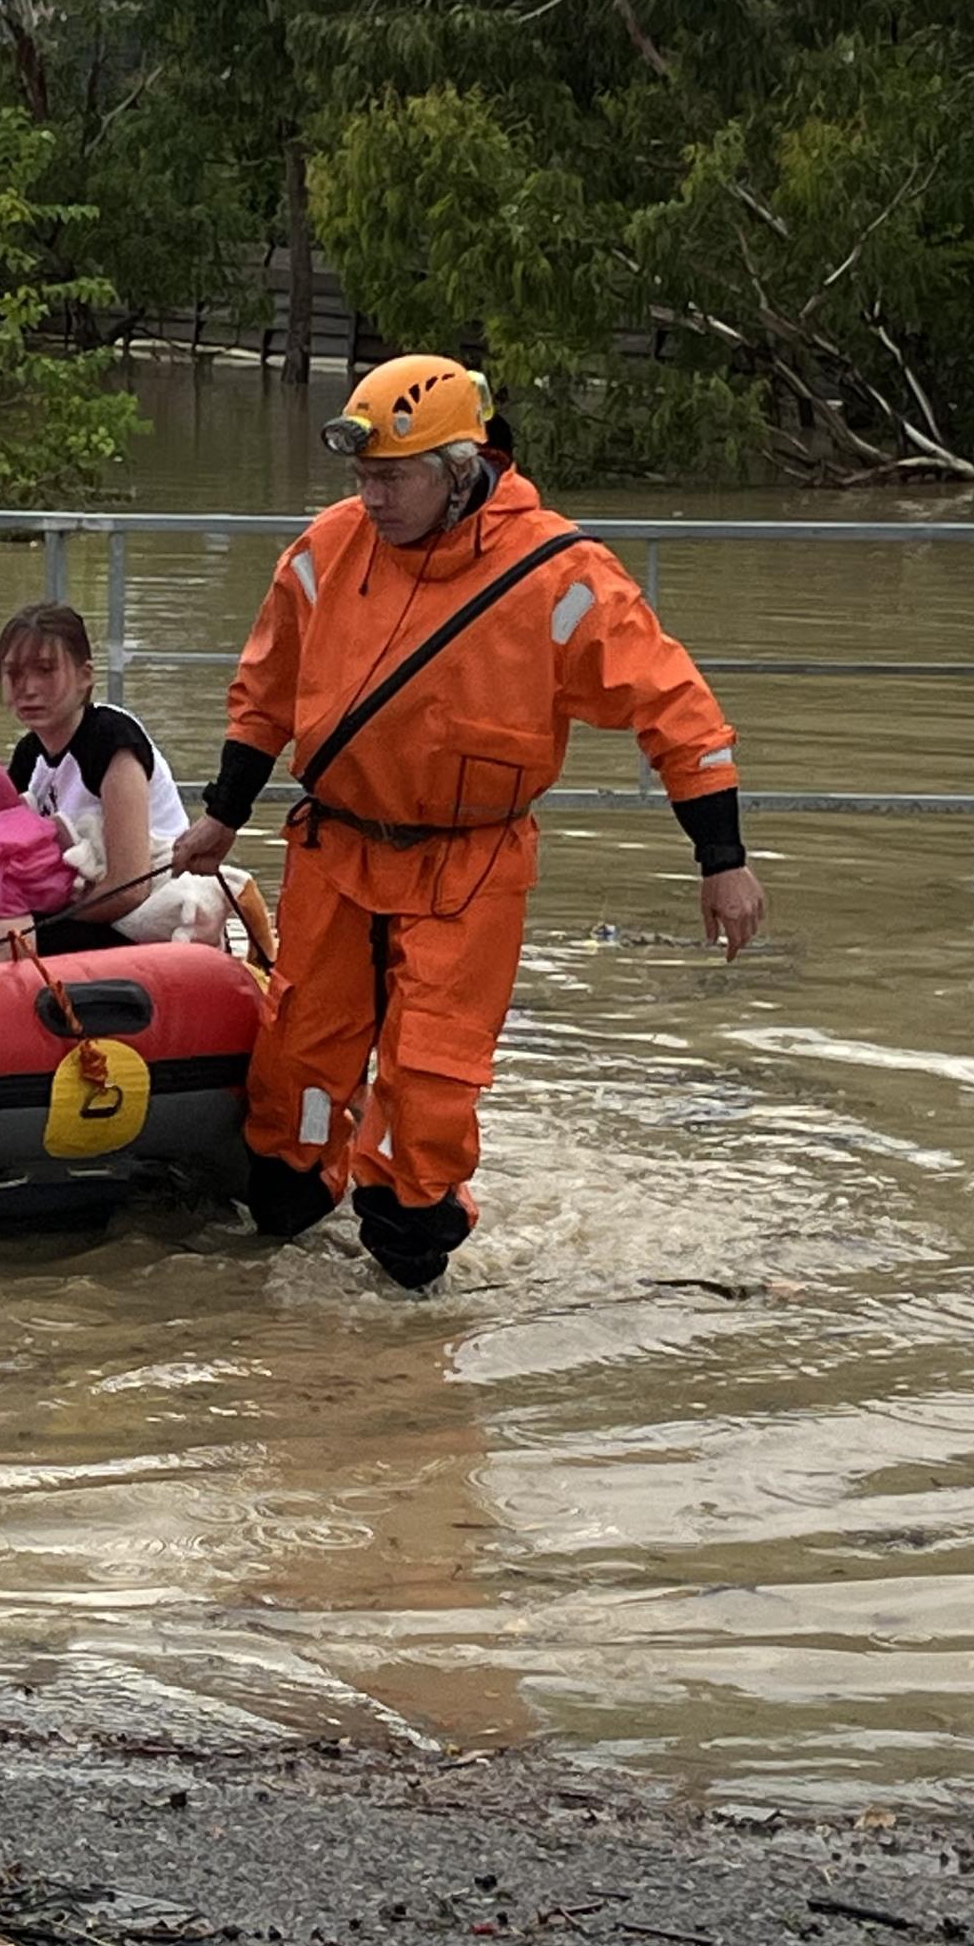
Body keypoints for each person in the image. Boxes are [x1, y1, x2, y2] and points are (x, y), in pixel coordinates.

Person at [169, 353, 767, 1291]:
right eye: (362, 479)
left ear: (460, 468)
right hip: (333, 853)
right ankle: (279, 1285)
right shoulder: (325, 553)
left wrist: (722, 861)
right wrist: (223, 815)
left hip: (469, 870)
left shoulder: (561, 579)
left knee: (428, 1091)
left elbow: (677, 712)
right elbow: (266, 693)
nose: (371, 499)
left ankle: (412, 1313)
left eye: (391, 478)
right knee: (294, 1074)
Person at [0, 602, 215, 964]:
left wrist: (26, 922)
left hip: (145, 922)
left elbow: (130, 888)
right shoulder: (29, 755)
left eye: (45, 670)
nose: (29, 689)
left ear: (85, 676)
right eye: (15, 674)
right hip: (78, 909)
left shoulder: (112, 740)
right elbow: (10, 884)